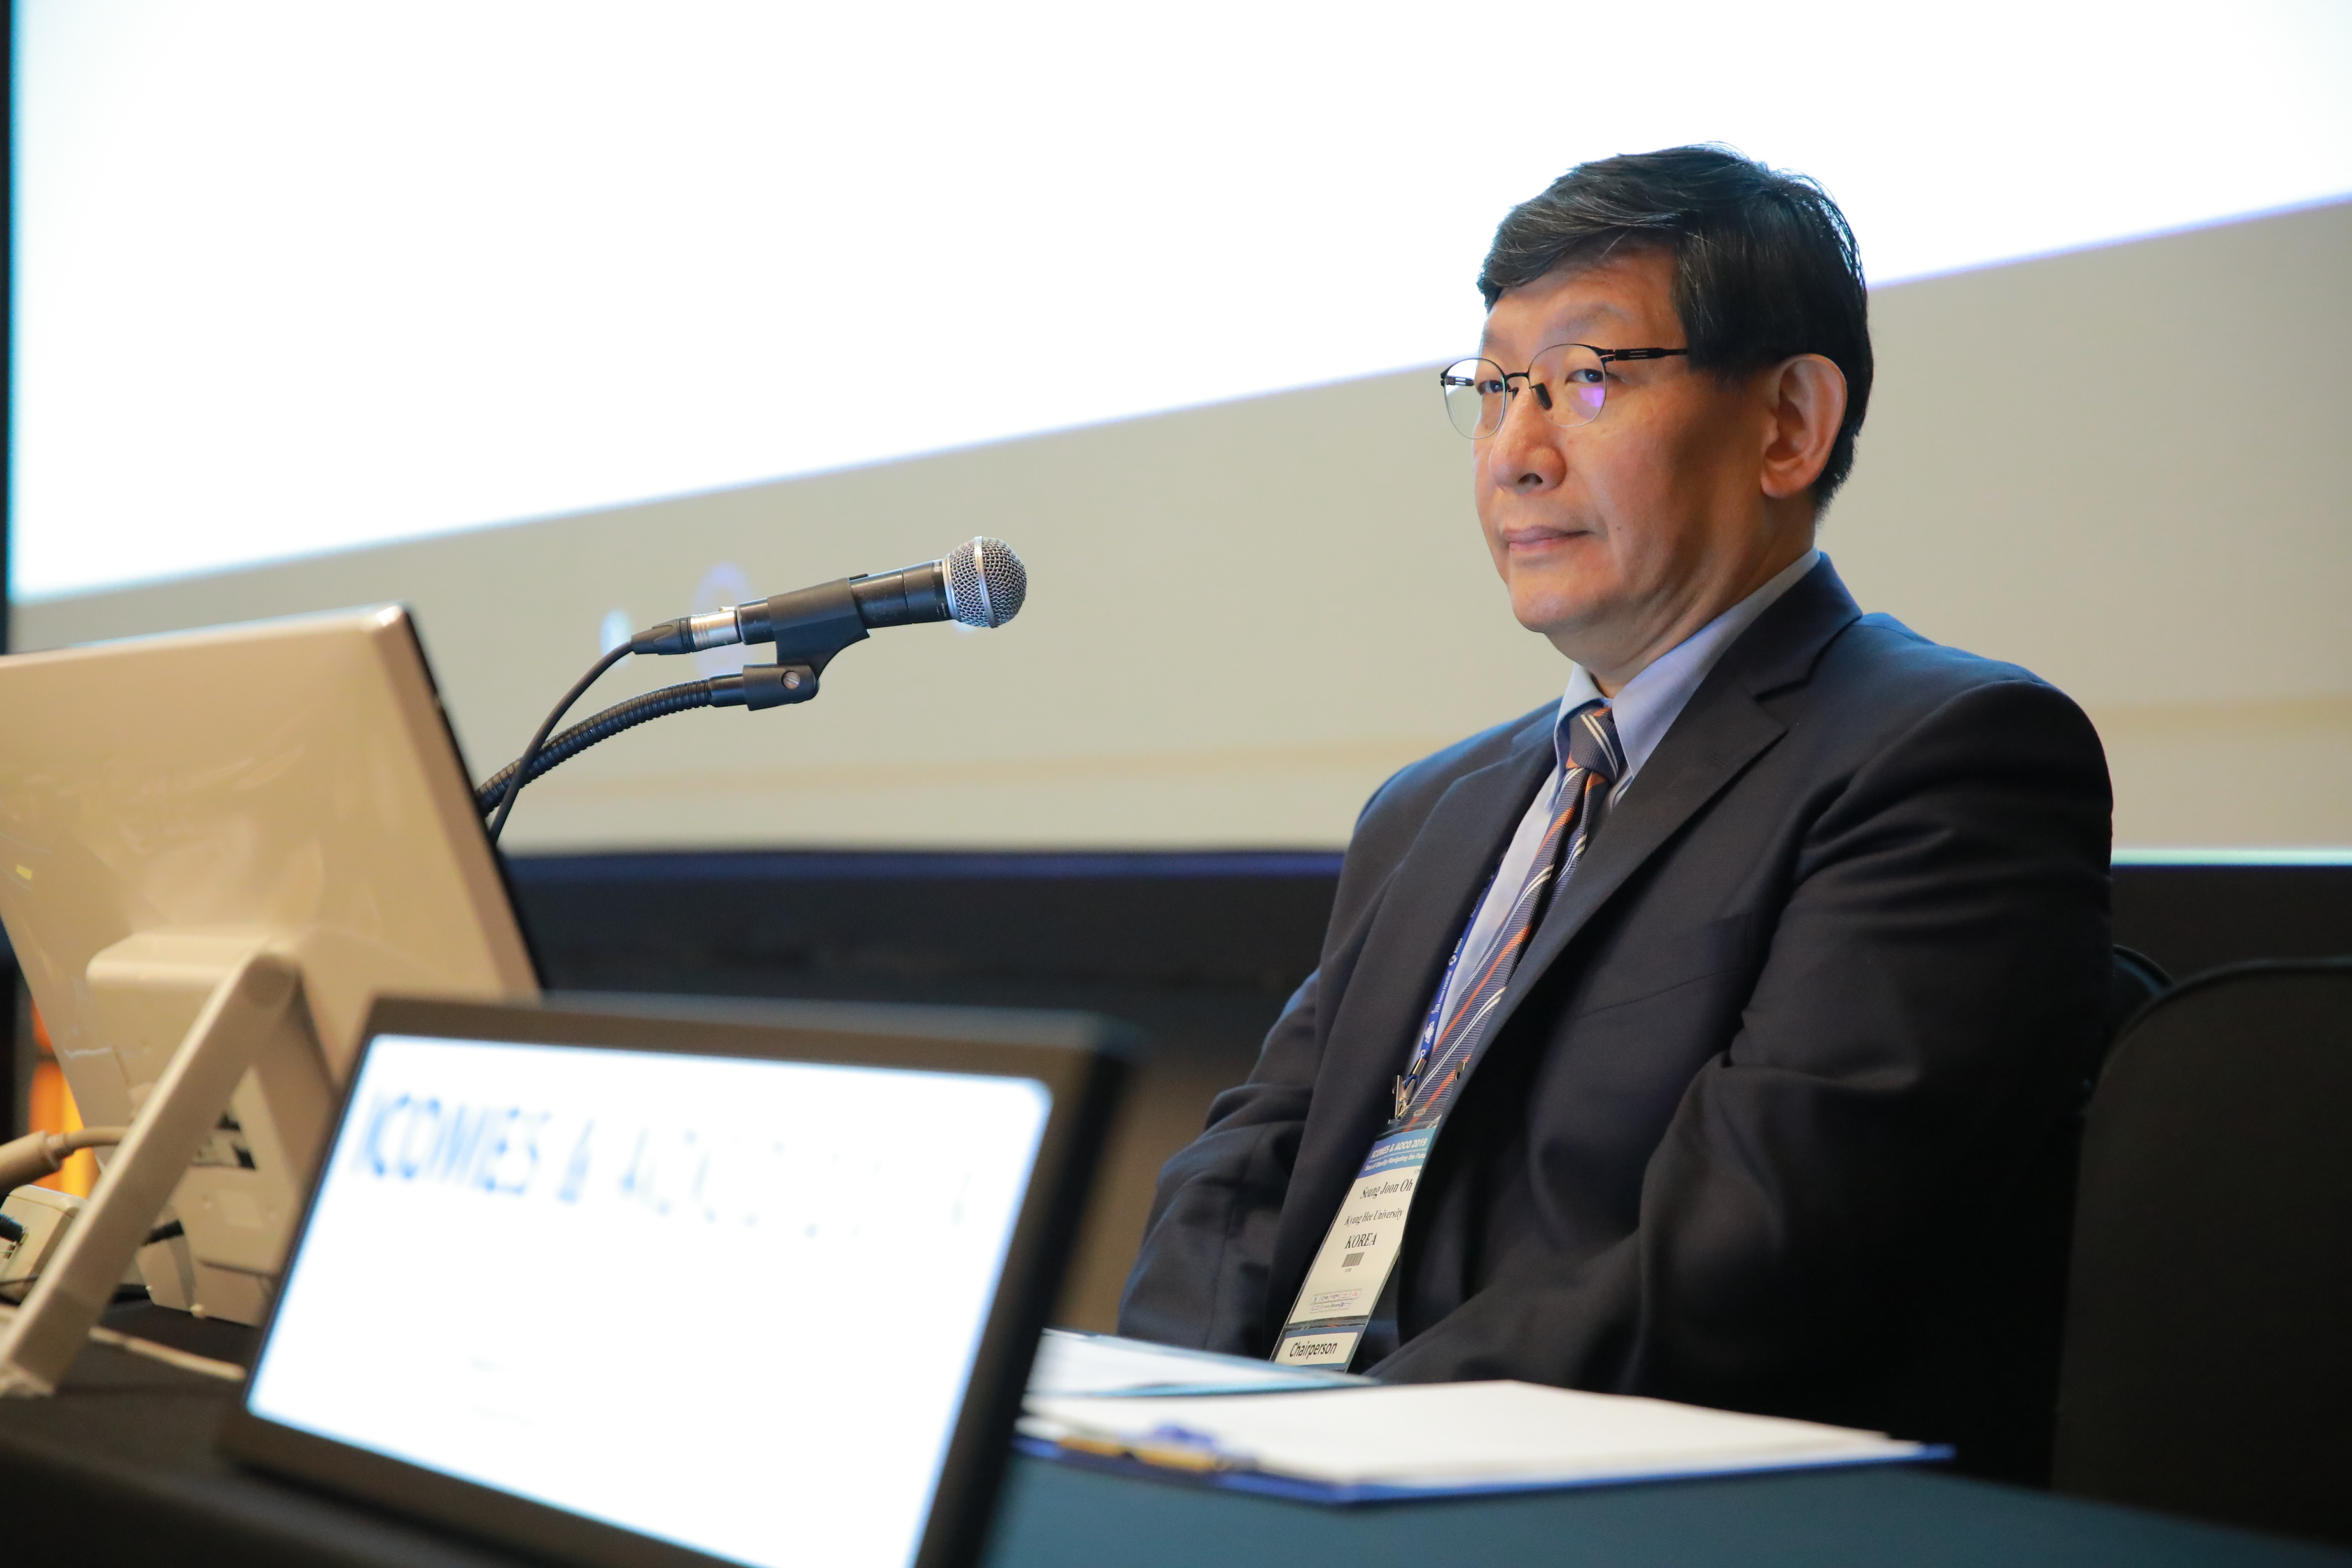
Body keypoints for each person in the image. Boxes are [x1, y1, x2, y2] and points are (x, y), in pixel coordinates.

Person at [1117, 146, 2113, 1478]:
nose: (1514, 456)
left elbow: (1747, 1259)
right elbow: (1247, 1168)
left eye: (1585, 379)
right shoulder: (1432, 808)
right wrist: (1162, 1419)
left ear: (1789, 426)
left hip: (1595, 1501)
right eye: (1494, 389)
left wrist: (1329, 1439)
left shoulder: (1943, 756)